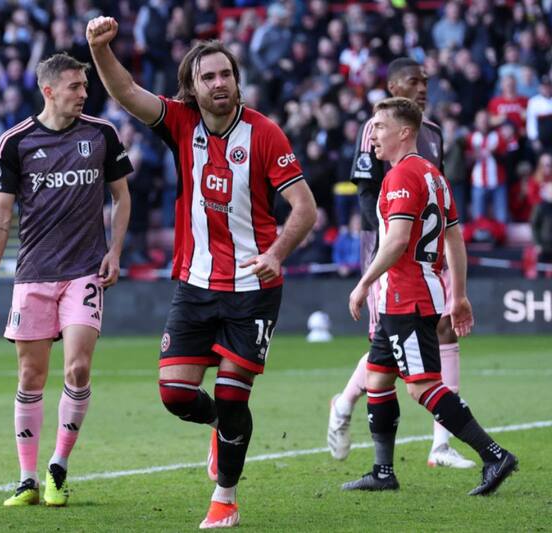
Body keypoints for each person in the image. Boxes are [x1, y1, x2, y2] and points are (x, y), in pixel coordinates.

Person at [87, 17, 317, 529]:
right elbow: (125, 91)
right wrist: (99, 49)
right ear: (191, 88)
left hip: (254, 288)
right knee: (175, 395)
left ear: (237, 80)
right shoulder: (180, 122)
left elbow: (304, 207)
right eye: (208, 77)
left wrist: (277, 252)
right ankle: (220, 426)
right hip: (195, 284)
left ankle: (225, 497)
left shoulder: (264, 132)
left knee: (235, 394)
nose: (219, 84)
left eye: (226, 75)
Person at [343, 96, 517, 496]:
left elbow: (398, 239)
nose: (373, 136)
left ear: (405, 132)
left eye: (380, 127)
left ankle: (494, 455)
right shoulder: (434, 176)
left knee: (422, 387)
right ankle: (383, 471)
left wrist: (364, 281)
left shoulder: (401, 177)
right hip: (409, 295)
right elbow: (454, 239)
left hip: (408, 295)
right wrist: (459, 295)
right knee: (378, 378)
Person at [0, 52, 132, 508]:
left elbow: (121, 198)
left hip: (85, 270)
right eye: (75, 87)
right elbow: (0, 216)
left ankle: (58, 469)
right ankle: (27, 478)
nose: (84, 94)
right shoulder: (15, 141)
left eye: (84, 87)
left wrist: (115, 251)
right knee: (31, 374)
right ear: (48, 91)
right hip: (33, 273)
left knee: (78, 368)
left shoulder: (101, 134)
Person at [328, 57, 476, 470]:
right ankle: (343, 404)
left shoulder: (434, 133)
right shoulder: (375, 128)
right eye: (415, 81)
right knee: (386, 343)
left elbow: (436, 193)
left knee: (444, 325)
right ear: (394, 85)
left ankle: (440, 445)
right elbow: (366, 192)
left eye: (426, 81)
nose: (424, 87)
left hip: (423, 248)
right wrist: (382, 248)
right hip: (387, 246)